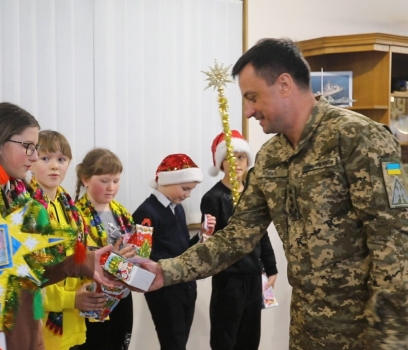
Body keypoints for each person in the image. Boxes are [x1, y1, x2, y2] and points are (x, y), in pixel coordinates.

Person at [141, 38, 408, 349]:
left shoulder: (358, 138)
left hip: (363, 331)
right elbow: (236, 237)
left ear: (284, 84)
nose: (248, 110)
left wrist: (391, 340)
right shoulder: (270, 158)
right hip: (306, 326)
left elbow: (395, 244)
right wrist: (165, 271)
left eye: (253, 97)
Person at [0, 102, 115, 350]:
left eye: (35, 148)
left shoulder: (20, 197)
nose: (34, 157)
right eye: (28, 147)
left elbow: (33, 270)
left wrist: (83, 262)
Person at [28, 130, 104, 350]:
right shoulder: (26, 209)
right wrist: (70, 299)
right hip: (42, 327)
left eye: (61, 159)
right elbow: (30, 277)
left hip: (74, 323)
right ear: (31, 161)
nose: (55, 166)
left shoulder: (70, 207)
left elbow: (80, 259)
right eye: (46, 158)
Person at [201, 130, 277, 350]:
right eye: (230, 157)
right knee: (226, 337)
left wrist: (270, 268)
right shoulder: (214, 198)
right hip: (229, 280)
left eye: (241, 157)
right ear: (220, 162)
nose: (236, 163)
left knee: (250, 336)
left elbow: (261, 234)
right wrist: (206, 234)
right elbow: (213, 240)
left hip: (254, 277)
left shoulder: (253, 194)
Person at [132, 154, 215, 350]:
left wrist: (201, 234)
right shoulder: (147, 212)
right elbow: (142, 257)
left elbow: (182, 247)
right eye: (185, 189)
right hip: (165, 291)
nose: (188, 195)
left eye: (191, 190)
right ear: (169, 182)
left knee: (180, 342)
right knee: (173, 343)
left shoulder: (177, 209)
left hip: (185, 285)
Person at [74, 148, 136, 350]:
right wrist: (111, 259)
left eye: (116, 181)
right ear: (86, 179)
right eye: (104, 181)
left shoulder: (122, 213)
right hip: (95, 297)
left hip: (123, 295)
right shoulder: (76, 215)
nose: (111, 187)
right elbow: (76, 259)